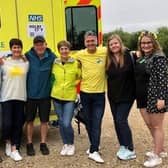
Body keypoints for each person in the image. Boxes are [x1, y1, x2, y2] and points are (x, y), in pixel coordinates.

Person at [135, 31, 167, 167]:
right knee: (149, 124)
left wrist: (162, 98)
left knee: (157, 126)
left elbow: (164, 79)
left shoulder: (159, 57)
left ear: (154, 43)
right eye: (143, 43)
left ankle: (157, 155)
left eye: (148, 42)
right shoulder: (144, 57)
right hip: (143, 96)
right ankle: (161, 149)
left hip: (155, 96)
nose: (146, 45)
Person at [74, 31, 106, 163]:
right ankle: (94, 144)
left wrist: (137, 54)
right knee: (88, 121)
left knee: (97, 122)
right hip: (85, 94)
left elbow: (120, 50)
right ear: (85, 43)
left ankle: (94, 151)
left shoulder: (104, 51)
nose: (90, 43)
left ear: (96, 41)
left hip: (99, 95)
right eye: (88, 41)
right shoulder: (80, 54)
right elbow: (65, 58)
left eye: (92, 41)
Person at [106, 34, 136, 160]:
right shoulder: (108, 59)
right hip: (113, 96)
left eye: (116, 43)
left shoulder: (130, 56)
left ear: (120, 43)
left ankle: (130, 149)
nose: (114, 46)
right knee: (116, 121)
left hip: (127, 95)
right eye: (111, 44)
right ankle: (123, 145)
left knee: (121, 120)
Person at [25, 36, 56, 156]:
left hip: (45, 95)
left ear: (45, 44)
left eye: (41, 44)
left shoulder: (52, 57)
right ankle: (29, 143)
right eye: (37, 44)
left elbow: (63, 64)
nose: (39, 47)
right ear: (34, 46)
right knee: (29, 121)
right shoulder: (28, 56)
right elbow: (15, 60)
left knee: (44, 121)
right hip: (30, 95)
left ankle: (43, 143)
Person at [0, 38, 29, 161]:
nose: (16, 49)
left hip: (21, 97)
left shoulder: (25, 63)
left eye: (18, 47)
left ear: (21, 48)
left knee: (18, 123)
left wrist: (25, 58)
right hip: (6, 97)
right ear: (11, 49)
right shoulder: (4, 63)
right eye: (14, 47)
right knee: (7, 124)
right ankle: (7, 141)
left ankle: (14, 148)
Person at [51, 40, 81, 156]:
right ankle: (65, 144)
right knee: (61, 121)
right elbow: (50, 77)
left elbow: (80, 77)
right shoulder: (54, 63)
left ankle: (71, 143)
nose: (64, 51)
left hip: (69, 96)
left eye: (66, 48)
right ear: (59, 51)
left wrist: (74, 85)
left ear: (69, 50)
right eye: (62, 49)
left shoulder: (75, 63)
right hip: (56, 95)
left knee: (67, 123)